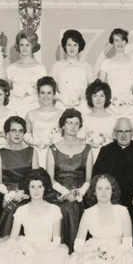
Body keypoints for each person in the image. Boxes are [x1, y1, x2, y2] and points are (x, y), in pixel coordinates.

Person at [91, 117, 133, 250]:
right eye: (120, 131)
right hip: (110, 200)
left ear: (132, 132)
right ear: (114, 133)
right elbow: (96, 179)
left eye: (127, 131)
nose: (123, 135)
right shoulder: (105, 152)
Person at [45, 108, 93, 251]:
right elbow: (50, 179)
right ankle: (61, 249)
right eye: (69, 123)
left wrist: (78, 193)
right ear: (63, 125)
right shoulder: (53, 149)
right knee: (64, 207)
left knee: (73, 206)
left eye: (76, 123)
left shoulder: (87, 148)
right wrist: (66, 193)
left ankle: (75, 250)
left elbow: (89, 178)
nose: (73, 126)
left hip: (81, 194)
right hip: (58, 192)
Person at [0, 116, 38, 241]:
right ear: (7, 133)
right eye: (13, 130)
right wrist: (9, 194)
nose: (17, 134)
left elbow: (37, 179)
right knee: (10, 206)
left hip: (28, 192)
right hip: (6, 193)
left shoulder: (32, 151)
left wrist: (25, 193)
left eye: (20, 131)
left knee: (26, 206)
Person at [98, 28, 133, 115]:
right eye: (117, 40)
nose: (120, 43)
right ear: (113, 42)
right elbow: (100, 86)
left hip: (129, 105)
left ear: (126, 42)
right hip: (111, 106)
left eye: (122, 40)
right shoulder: (107, 62)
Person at [6, 30, 47, 120]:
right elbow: (7, 91)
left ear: (33, 46)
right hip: (15, 106)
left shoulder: (40, 68)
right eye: (22, 45)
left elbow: (43, 90)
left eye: (27, 45)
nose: (24, 48)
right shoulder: (11, 68)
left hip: (33, 105)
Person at [52, 29, 95, 110]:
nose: (72, 48)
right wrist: (62, 98)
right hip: (62, 106)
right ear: (65, 46)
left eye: (75, 45)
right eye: (69, 45)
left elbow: (93, 90)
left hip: (82, 106)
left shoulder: (86, 66)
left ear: (79, 46)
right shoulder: (57, 66)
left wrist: (82, 97)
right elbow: (51, 90)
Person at [25, 76, 64, 165]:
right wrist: (33, 141)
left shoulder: (61, 114)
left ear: (54, 94)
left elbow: (64, 136)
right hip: (36, 154)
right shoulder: (30, 114)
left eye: (49, 93)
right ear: (38, 94)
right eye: (42, 93)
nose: (45, 96)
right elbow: (27, 134)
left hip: (56, 155)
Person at [81, 79, 117, 161]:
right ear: (90, 98)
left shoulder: (113, 119)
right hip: (89, 158)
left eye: (102, 95)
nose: (98, 99)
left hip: (108, 159)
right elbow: (80, 142)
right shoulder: (84, 119)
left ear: (106, 97)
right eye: (95, 96)